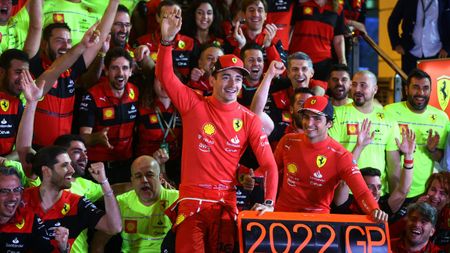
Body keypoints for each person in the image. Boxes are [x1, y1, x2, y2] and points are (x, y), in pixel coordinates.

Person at [156, 9, 278, 252]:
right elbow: (165, 76)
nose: (233, 84)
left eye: (238, 79)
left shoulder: (248, 119)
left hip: (226, 207)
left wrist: (268, 202)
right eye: (226, 77)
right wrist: (167, 42)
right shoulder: (194, 104)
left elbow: (270, 166)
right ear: (212, 80)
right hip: (193, 205)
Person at [274, 95, 387, 222]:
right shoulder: (288, 141)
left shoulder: (341, 156)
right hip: (282, 216)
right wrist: (266, 201)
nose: (309, 123)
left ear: (329, 123)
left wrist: (374, 210)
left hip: (317, 222)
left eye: (317, 118)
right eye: (306, 116)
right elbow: (270, 172)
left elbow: (361, 192)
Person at [30, 0, 119, 148]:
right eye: (59, 41)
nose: (65, 46)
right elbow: (35, 26)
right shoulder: (35, 67)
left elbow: (100, 37)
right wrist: (82, 45)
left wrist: (114, 2)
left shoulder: (71, 71)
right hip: (36, 152)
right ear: (44, 44)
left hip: (63, 153)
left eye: (69, 41)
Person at [329, 70, 402, 195]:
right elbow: (332, 157)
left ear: (375, 89)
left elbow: (393, 165)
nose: (357, 89)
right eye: (354, 84)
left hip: (376, 193)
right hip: (346, 192)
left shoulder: (388, 119)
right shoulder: (337, 114)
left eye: (363, 85)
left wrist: (393, 199)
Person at [91, 155, 179, 253]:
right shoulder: (121, 202)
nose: (144, 180)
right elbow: (98, 242)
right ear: (132, 181)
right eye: (138, 176)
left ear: (161, 178)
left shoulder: (177, 199)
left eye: (149, 175)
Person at [385, 69, 449, 199]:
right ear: (406, 89)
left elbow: (441, 159)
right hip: (392, 189)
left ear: (431, 91)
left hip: (424, 192)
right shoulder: (389, 111)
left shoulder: (441, 117)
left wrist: (432, 150)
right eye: (416, 87)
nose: (421, 93)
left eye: (425, 88)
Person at [79, 47, 139, 184]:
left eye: (124, 68)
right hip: (98, 166)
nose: (120, 73)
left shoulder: (135, 92)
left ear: (131, 71)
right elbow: (83, 138)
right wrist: (97, 138)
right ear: (106, 71)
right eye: (114, 68)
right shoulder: (92, 95)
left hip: (126, 165)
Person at [0, 166, 70, 252]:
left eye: (17, 190)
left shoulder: (30, 219)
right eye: (4, 191)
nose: (13, 198)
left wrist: (63, 249)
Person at [388, 0, 449, 80]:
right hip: (411, 52)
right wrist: (396, 43)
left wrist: (447, 48)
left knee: (436, 88)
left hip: (437, 53)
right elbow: (393, 20)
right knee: (409, 87)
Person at [290, 0, 346, 81]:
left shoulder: (337, 9)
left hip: (323, 62)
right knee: (297, 92)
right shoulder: (300, 4)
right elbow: (289, 30)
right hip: (298, 59)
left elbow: (338, 38)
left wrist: (342, 60)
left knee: (319, 91)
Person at [224, 0, 286, 66]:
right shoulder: (232, 40)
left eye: (260, 10)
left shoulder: (274, 41)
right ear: (243, 15)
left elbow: (281, 71)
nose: (256, 14)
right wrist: (240, 47)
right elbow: (228, 70)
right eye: (251, 10)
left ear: (265, 16)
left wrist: (268, 46)